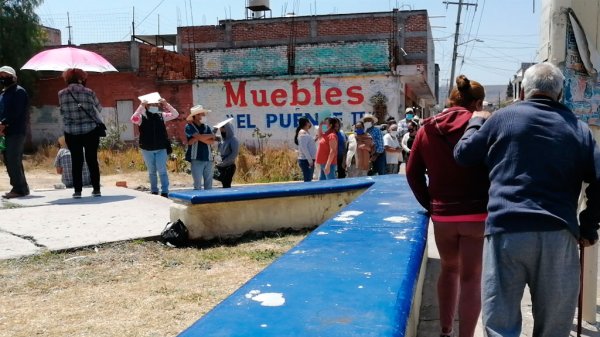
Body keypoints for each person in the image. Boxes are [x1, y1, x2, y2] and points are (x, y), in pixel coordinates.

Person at [454, 62, 600, 337]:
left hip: (506, 232)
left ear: (522, 91)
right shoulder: (578, 129)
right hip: (559, 234)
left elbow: (463, 154)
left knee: (500, 326)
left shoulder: (501, 118)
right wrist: (589, 226)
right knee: (554, 329)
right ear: (560, 94)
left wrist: (475, 120)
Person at [406, 74, 489, 337]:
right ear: (477, 103)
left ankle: (444, 331)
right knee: (471, 278)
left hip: (443, 216)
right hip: (477, 213)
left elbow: (412, 173)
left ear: (450, 100)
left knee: (449, 269)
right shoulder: (482, 126)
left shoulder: (426, 129)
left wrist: (431, 205)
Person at [58, 68, 102, 199]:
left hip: (71, 132)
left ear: (67, 79)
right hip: (91, 131)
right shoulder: (89, 92)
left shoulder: (61, 94)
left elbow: (62, 112)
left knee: (76, 160)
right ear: (81, 78)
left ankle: (77, 191)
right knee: (92, 160)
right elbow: (99, 108)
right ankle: (96, 189)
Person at [131, 93, 179, 197]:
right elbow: (133, 119)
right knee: (152, 171)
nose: (154, 106)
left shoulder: (162, 116)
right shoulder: (141, 117)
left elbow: (175, 114)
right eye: (151, 104)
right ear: (147, 106)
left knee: (162, 170)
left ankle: (165, 191)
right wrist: (141, 106)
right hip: (147, 148)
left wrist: (166, 104)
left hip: (161, 147)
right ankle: (154, 190)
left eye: (155, 104)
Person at [0, 66, 30, 199]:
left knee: (13, 159)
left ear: (14, 77)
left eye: (6, 75)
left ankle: (18, 189)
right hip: (5, 132)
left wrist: (3, 123)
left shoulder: (19, 92)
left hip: (16, 131)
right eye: (1, 76)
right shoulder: (3, 94)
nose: (3, 78)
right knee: (9, 160)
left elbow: (15, 112)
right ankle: (22, 188)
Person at [185, 105, 216, 190]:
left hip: (208, 158)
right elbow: (200, 138)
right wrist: (210, 135)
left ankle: (209, 201)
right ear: (195, 116)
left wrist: (199, 138)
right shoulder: (189, 126)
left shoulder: (206, 127)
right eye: (201, 114)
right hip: (196, 158)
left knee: (209, 184)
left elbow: (212, 141)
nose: (203, 115)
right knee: (197, 184)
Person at [215, 119, 239, 188]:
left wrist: (224, 162)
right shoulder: (221, 140)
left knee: (226, 185)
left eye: (223, 127)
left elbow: (234, 154)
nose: (221, 130)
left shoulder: (233, 140)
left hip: (229, 167)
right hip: (220, 166)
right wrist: (215, 129)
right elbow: (211, 137)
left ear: (227, 128)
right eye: (220, 128)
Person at [294, 117, 316, 182]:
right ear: (306, 123)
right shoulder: (303, 134)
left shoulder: (305, 133)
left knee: (309, 179)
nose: (310, 124)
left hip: (307, 160)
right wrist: (310, 161)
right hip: (306, 161)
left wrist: (315, 138)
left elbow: (308, 144)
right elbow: (304, 149)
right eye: (309, 122)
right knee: (308, 180)